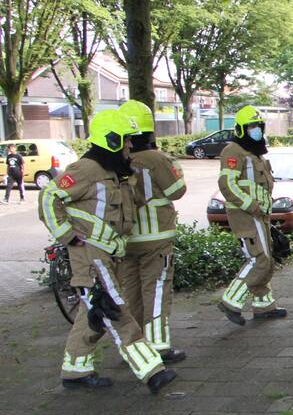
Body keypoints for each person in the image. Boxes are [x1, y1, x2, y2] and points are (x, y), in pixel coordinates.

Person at [38, 109, 177, 393]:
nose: (130, 146)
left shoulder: (114, 172)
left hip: (107, 256)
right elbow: (49, 197)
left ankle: (75, 370)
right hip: (91, 257)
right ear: (111, 140)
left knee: (94, 314)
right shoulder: (86, 170)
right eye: (126, 141)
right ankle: (151, 370)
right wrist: (66, 234)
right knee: (115, 310)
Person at [119, 100, 188, 363]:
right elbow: (177, 191)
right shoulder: (157, 159)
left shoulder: (118, 157)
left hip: (127, 239)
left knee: (131, 293)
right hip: (156, 238)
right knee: (156, 289)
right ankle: (158, 345)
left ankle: (133, 345)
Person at [216, 105, 286, 325]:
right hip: (246, 215)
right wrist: (251, 205)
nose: (256, 130)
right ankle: (231, 301)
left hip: (260, 215)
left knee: (265, 257)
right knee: (259, 259)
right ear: (241, 129)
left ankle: (264, 304)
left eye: (258, 126)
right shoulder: (234, 151)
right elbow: (227, 183)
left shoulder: (254, 152)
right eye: (251, 126)